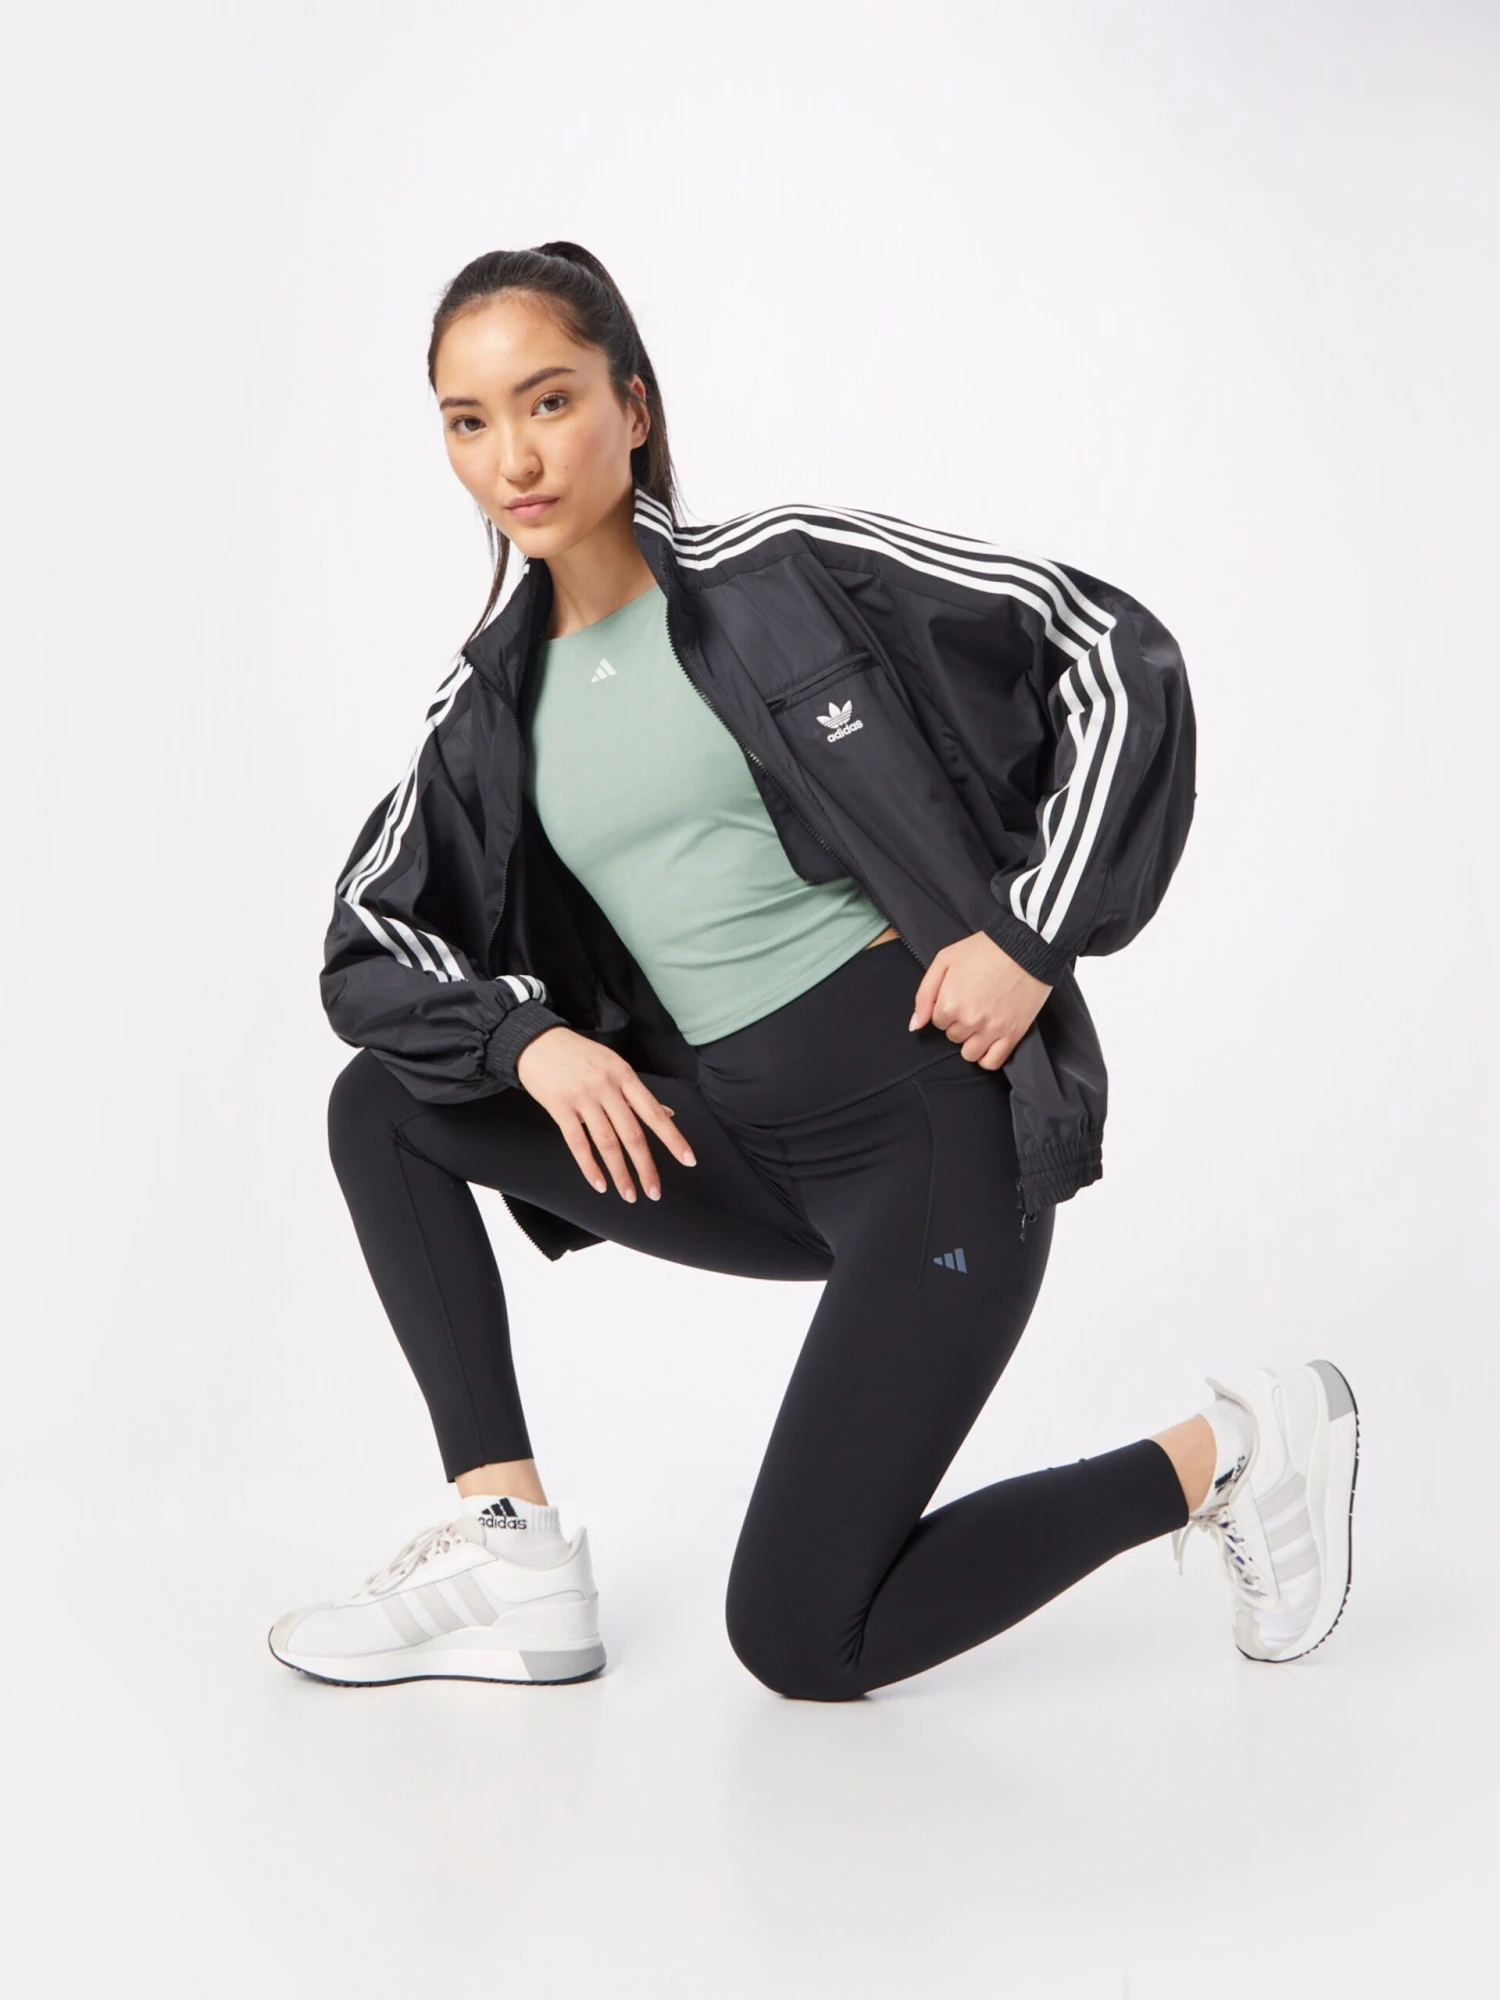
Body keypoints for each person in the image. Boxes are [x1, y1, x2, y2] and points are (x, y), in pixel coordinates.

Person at [267, 242, 1360, 1697]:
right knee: (384, 1105)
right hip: (727, 1144)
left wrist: (1030, 936)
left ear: (632, 407)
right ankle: (509, 1542)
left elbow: (1109, 653)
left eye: (549, 401)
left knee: (800, 1640)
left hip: (929, 1140)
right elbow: (368, 942)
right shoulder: (486, 708)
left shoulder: (779, 576)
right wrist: (528, 1039)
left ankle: (1235, 1451)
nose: (513, 457)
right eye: (470, 422)